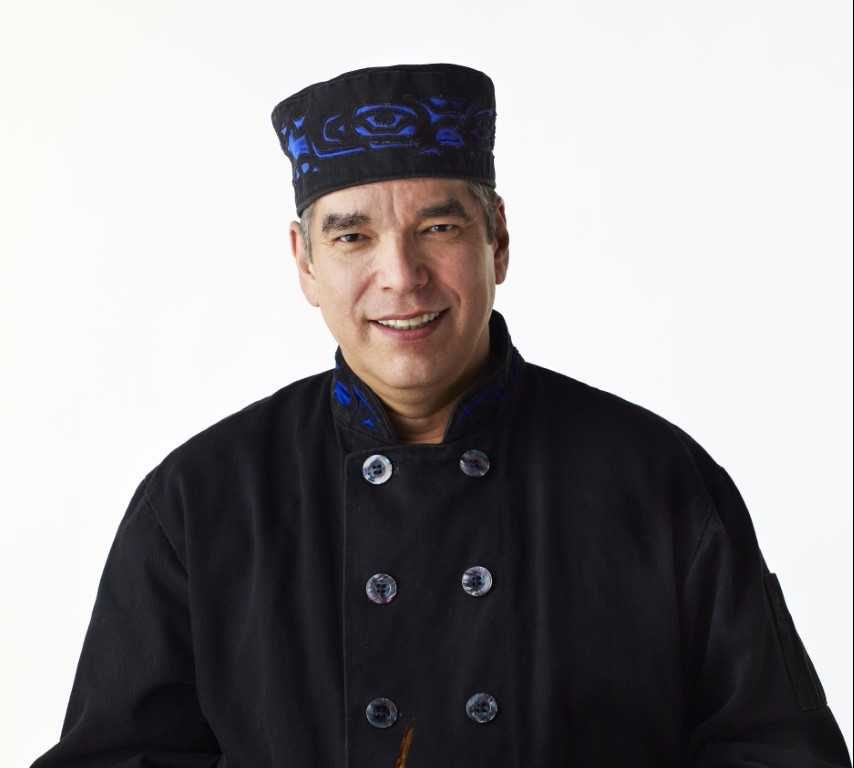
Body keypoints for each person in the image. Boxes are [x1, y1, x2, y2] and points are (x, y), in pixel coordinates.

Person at [30, 62, 851, 767]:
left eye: (439, 226)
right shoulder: (199, 501)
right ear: (304, 263)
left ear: (498, 239)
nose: (402, 275)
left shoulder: (658, 480)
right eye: (352, 238)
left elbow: (779, 752)